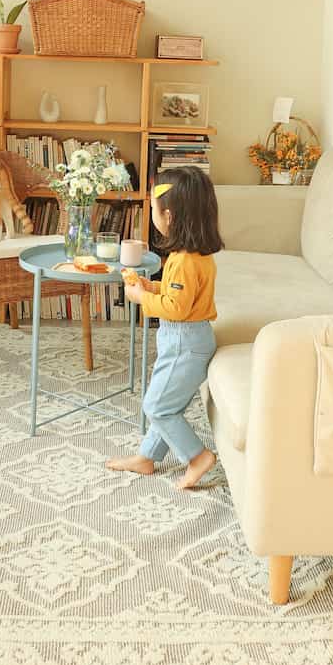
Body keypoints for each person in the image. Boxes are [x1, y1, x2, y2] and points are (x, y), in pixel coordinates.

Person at [106, 167, 223, 490]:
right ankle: (147, 457)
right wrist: (151, 287)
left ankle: (197, 457)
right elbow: (177, 295)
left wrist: (140, 297)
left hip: (184, 340)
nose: (153, 215)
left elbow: (176, 308)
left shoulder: (184, 261)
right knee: (165, 402)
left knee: (157, 406)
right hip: (186, 338)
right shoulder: (192, 256)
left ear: (168, 216)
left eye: (154, 209)